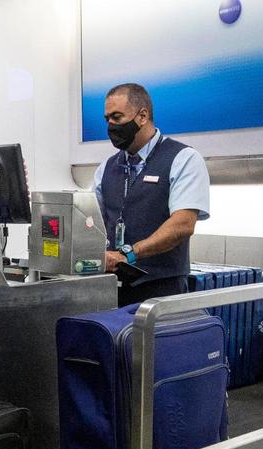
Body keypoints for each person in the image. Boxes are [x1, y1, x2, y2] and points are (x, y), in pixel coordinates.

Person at [93, 83, 211, 307]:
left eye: (117, 117)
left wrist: (129, 254)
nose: (110, 125)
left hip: (162, 290)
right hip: (111, 289)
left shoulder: (183, 159)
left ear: (143, 116)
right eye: (107, 118)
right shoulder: (106, 167)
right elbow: (90, 219)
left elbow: (183, 225)